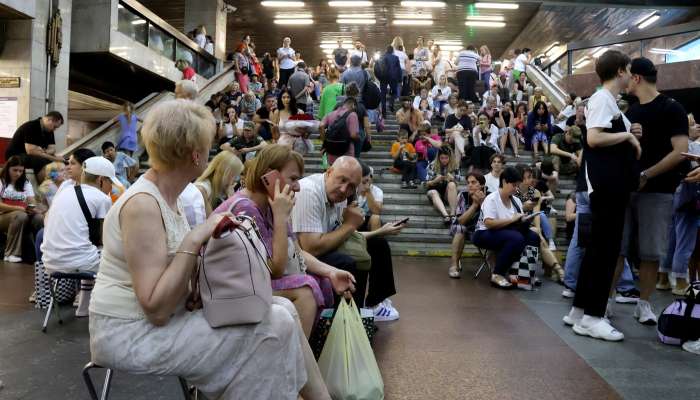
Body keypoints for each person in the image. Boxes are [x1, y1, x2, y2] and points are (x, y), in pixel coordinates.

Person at [89, 99, 330, 400]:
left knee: (285, 310)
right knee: (276, 322)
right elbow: (156, 308)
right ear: (195, 154)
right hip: (129, 335)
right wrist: (195, 240)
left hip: (156, 324)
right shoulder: (142, 205)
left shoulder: (166, 198)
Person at [215, 145, 356, 338]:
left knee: (323, 280)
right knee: (306, 289)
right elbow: (275, 269)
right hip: (231, 290)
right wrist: (281, 217)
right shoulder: (245, 208)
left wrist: (330, 272)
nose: (298, 186)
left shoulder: (269, 204)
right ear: (269, 177)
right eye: (293, 178)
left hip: (252, 283)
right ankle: (297, 360)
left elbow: (297, 252)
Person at [562, 50, 641, 342]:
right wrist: (628, 136)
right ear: (620, 71)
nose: (631, 75)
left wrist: (629, 129)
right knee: (605, 251)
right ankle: (593, 317)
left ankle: (579, 311)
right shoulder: (601, 99)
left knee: (598, 250)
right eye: (629, 69)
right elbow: (594, 138)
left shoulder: (609, 103)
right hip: (607, 187)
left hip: (611, 186)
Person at [619, 57, 689, 325]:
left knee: (650, 251)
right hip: (627, 189)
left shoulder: (671, 108)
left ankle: (644, 304)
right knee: (619, 248)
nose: (624, 81)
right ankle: (607, 303)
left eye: (627, 75)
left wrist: (647, 174)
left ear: (636, 77)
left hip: (658, 190)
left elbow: (680, 151)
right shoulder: (632, 112)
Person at [291, 156, 404, 321]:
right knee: (346, 261)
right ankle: (348, 319)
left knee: (378, 244)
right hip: (303, 254)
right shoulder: (309, 192)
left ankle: (374, 303)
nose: (344, 189)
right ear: (329, 172)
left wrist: (379, 232)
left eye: (351, 186)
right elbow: (311, 248)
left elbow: (344, 235)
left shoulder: (340, 196)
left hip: (324, 243)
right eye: (341, 180)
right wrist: (350, 225)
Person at [41, 156, 116, 317]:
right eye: (111, 182)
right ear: (101, 180)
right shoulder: (102, 199)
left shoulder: (64, 191)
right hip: (79, 262)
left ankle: (83, 307)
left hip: (49, 262)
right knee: (115, 255)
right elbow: (104, 239)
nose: (111, 188)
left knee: (90, 251)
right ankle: (114, 310)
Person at [472, 166, 540, 289]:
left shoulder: (516, 201)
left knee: (533, 236)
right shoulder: (492, 199)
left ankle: (523, 273)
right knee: (516, 238)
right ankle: (497, 274)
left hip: (505, 231)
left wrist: (523, 219)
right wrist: (512, 219)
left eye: (517, 185)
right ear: (504, 182)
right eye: (513, 185)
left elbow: (516, 221)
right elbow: (489, 223)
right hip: (484, 233)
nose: (516, 189)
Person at [0, 156, 44, 263]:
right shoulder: (1, 181)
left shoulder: (25, 182)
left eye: (21, 171)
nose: (18, 173)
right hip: (3, 216)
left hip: (21, 214)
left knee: (39, 218)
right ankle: (10, 254)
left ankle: (42, 255)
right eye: (15, 170)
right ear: (8, 168)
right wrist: (17, 208)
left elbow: (31, 200)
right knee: (20, 215)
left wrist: (33, 208)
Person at [5, 111, 64, 182]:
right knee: (39, 160)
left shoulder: (49, 131)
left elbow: (52, 149)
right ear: (49, 120)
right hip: (15, 155)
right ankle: (44, 189)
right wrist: (54, 158)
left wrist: (43, 151)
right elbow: (31, 151)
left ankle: (54, 186)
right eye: (55, 127)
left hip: (29, 155)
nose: (54, 130)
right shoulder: (31, 126)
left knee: (54, 162)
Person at [448, 171, 487, 278]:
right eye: (468, 182)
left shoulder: (490, 196)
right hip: (464, 227)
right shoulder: (463, 195)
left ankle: (496, 268)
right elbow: (460, 221)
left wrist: (483, 203)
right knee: (460, 229)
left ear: (482, 185)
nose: (470, 185)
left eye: (473, 182)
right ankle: (454, 265)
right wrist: (474, 205)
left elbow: (491, 218)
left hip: (482, 229)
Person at [194, 151, 243, 216]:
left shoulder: (222, 188)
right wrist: (231, 199)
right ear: (226, 173)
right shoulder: (203, 189)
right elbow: (211, 220)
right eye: (235, 175)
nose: (235, 180)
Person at [320, 97, 361, 165]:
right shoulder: (352, 115)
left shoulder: (330, 114)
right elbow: (353, 135)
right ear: (353, 105)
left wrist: (325, 141)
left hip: (331, 152)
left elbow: (321, 126)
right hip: (346, 152)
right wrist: (359, 137)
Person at [426, 147, 460, 225]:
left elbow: (457, 183)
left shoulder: (454, 165)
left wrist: (453, 179)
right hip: (434, 191)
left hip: (447, 192)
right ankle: (446, 216)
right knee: (433, 192)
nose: (444, 160)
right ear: (438, 158)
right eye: (442, 158)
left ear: (450, 157)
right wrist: (435, 181)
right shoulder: (432, 165)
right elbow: (426, 184)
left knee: (452, 184)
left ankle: (452, 214)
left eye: (446, 158)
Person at [357, 162, 384, 232]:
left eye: (369, 177)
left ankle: (374, 241)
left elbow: (376, 211)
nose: (367, 180)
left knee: (376, 218)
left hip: (369, 219)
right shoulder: (354, 187)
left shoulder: (377, 191)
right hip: (355, 217)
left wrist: (368, 191)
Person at [378, 45, 402, 117]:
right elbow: (399, 69)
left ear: (386, 50)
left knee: (383, 95)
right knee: (394, 92)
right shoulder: (395, 58)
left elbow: (377, 68)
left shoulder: (382, 57)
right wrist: (400, 79)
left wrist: (379, 77)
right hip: (393, 78)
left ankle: (384, 112)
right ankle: (391, 103)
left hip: (383, 78)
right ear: (392, 51)